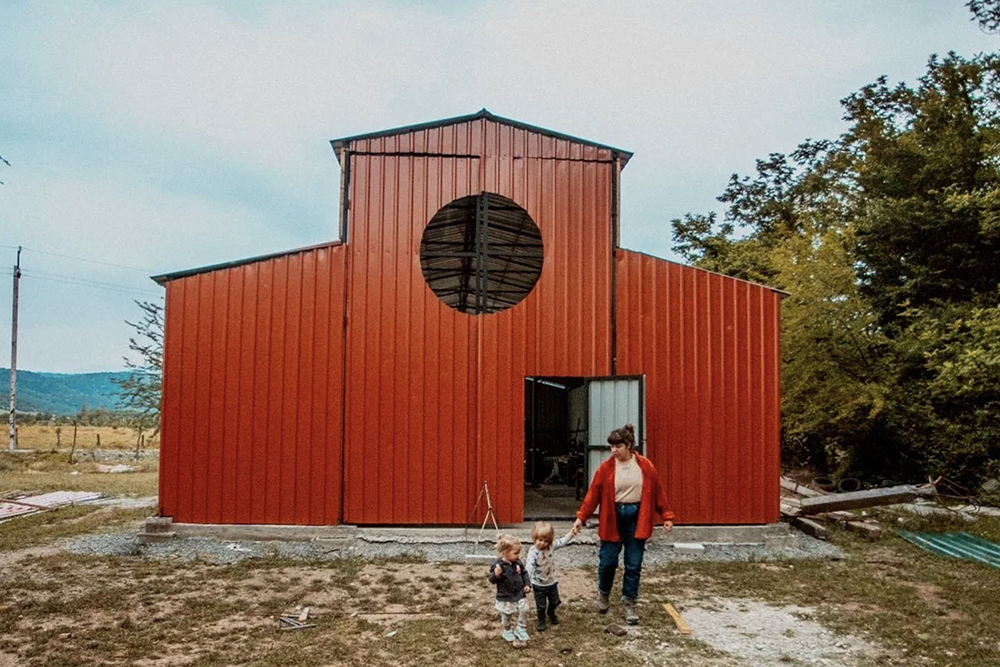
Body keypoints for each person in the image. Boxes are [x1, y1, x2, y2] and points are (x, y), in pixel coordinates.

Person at [571, 423, 674, 625]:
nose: (613, 451)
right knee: (608, 562)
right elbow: (593, 495)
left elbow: (657, 493)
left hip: (638, 517)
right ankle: (603, 593)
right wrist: (580, 518)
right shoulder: (606, 469)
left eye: (617, 447)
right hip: (613, 518)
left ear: (628, 445)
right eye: (611, 447)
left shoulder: (645, 466)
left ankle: (629, 601)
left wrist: (666, 516)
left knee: (633, 564)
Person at [524, 520, 575, 631]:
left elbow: (562, 541)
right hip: (538, 584)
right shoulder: (533, 551)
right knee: (540, 605)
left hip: (551, 581)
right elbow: (529, 566)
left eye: (545, 541)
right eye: (540, 540)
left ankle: (551, 612)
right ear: (534, 538)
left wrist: (571, 533)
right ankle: (541, 620)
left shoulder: (551, 546)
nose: (542, 543)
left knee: (555, 601)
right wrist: (526, 581)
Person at [488, 533, 532, 648]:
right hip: (505, 595)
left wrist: (527, 584)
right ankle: (507, 630)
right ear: (505, 553)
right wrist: (496, 575)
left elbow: (524, 573)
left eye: (519, 553)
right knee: (507, 614)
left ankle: (520, 628)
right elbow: (492, 580)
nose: (518, 555)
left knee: (525, 609)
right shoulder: (498, 565)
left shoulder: (518, 563)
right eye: (516, 553)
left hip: (519, 593)